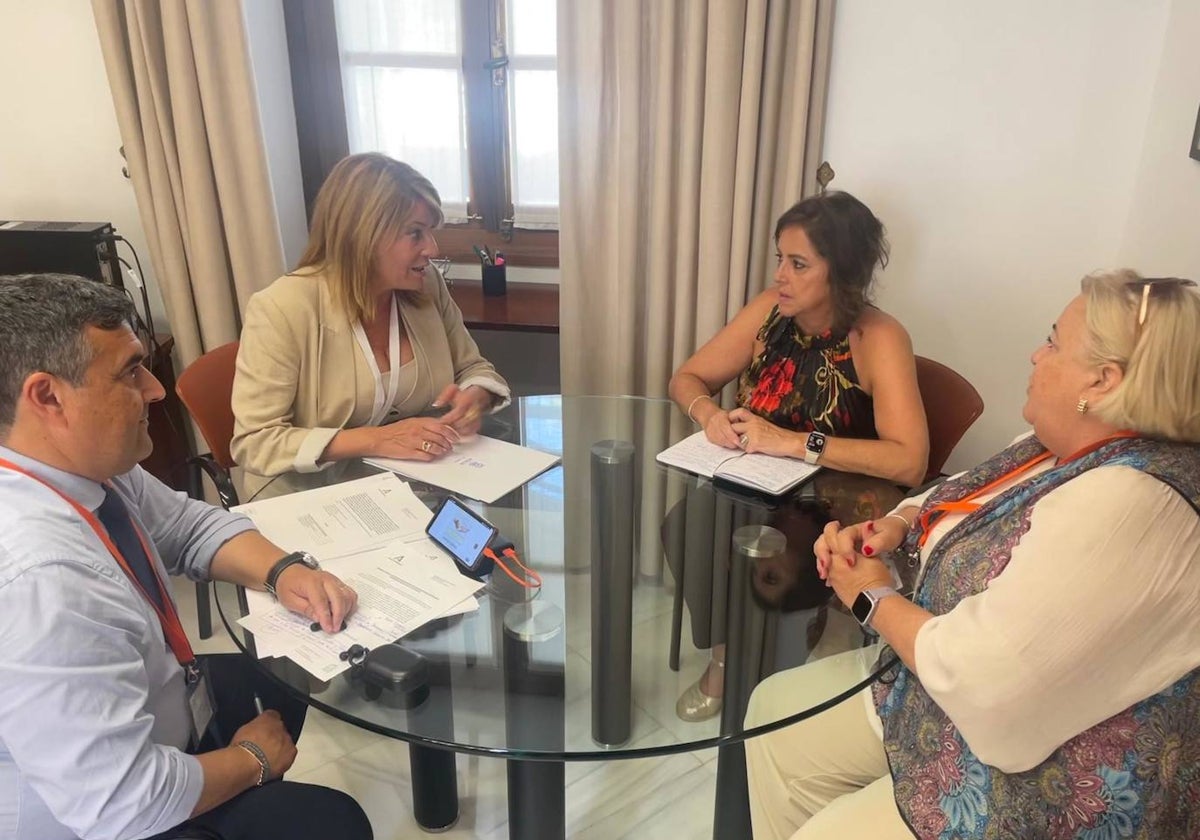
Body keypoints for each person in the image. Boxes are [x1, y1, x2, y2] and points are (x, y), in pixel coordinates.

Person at [745, 271, 1200, 839]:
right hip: (934, 696)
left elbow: (989, 684)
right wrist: (892, 524)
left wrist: (870, 596)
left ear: (1103, 381)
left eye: (1054, 342)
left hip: (1029, 782)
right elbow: (949, 492)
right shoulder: (1050, 447)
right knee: (773, 715)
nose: (1037, 353)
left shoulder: (1132, 505)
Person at [0, 274, 373, 840]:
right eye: (130, 371)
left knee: (279, 676)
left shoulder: (79, 467)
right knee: (332, 824)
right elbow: (120, 805)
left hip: (152, 725)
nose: (155, 389)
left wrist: (283, 570)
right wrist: (252, 759)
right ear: (48, 396)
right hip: (102, 821)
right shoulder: (42, 583)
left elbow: (184, 524)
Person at [666, 191, 929, 720]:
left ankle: (774, 677)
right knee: (684, 528)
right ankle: (726, 653)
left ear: (841, 272)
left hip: (836, 496)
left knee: (776, 562)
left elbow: (909, 462)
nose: (780, 275)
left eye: (798, 263)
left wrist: (795, 443)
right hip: (755, 481)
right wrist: (708, 415)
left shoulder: (878, 337)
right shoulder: (769, 311)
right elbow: (687, 378)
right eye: (779, 258)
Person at [232, 152, 511, 500]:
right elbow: (254, 443)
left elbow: (472, 366)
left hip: (404, 489)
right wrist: (377, 440)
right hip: (307, 499)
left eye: (430, 232)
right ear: (363, 235)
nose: (431, 248)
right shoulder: (282, 308)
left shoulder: (426, 286)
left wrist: (476, 396)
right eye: (415, 233)